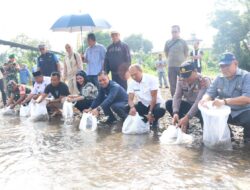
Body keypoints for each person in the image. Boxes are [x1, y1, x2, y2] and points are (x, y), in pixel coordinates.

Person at [199, 52, 250, 142]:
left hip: (243, 111)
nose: (224, 69)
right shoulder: (219, 78)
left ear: (235, 63)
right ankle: (228, 137)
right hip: (225, 113)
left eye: (227, 65)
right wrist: (204, 100)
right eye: (222, 66)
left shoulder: (246, 76)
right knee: (205, 113)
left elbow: (247, 98)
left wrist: (224, 101)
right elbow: (210, 93)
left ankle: (247, 140)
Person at [165, 61, 210, 133]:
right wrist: (175, 112)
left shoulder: (204, 80)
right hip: (189, 105)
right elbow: (177, 96)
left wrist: (187, 117)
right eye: (184, 76)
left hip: (202, 107)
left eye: (188, 76)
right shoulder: (181, 79)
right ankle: (182, 125)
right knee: (169, 103)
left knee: (207, 132)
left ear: (195, 71)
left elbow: (198, 102)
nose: (185, 79)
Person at [127, 64, 166, 132]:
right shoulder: (131, 82)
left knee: (160, 110)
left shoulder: (151, 79)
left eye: (135, 74)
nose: (133, 77)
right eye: (131, 75)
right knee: (127, 108)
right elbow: (130, 99)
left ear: (141, 71)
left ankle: (155, 120)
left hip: (155, 103)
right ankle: (145, 119)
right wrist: (132, 107)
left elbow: (154, 98)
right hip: (144, 104)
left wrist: (150, 112)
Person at [164, 25, 189, 97]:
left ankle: (186, 98)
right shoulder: (168, 42)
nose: (173, 33)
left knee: (185, 82)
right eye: (172, 32)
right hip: (171, 66)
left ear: (179, 32)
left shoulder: (183, 42)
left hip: (181, 66)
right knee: (172, 84)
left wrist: (183, 61)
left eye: (175, 32)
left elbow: (186, 52)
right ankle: (174, 99)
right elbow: (166, 52)